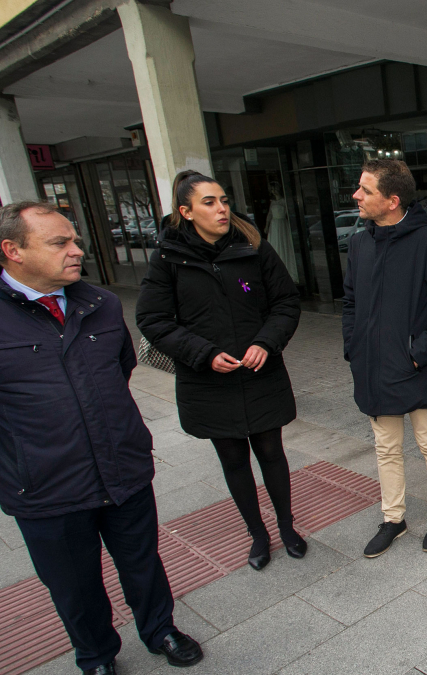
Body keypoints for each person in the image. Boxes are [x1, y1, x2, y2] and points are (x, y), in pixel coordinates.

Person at [0, 202, 203, 675]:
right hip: (46, 488)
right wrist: (19, 449)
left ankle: (160, 629)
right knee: (73, 584)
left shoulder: (101, 303)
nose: (77, 250)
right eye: (60, 243)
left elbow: (120, 369)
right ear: (12, 250)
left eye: (74, 239)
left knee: (142, 562)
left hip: (123, 468)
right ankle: (96, 656)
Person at [137, 171, 306, 572]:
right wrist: (204, 354)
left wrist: (265, 342)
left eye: (224, 200)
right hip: (208, 382)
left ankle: (287, 526)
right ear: (186, 212)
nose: (222, 209)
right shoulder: (167, 258)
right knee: (233, 459)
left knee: (272, 453)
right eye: (209, 202)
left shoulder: (253, 246)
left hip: (260, 374)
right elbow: (152, 319)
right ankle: (258, 534)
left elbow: (286, 302)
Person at [342, 159, 427, 558]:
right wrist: (354, 348)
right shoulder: (359, 244)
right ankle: (393, 519)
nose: (356, 196)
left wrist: (416, 355)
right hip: (373, 369)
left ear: (392, 200)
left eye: (366, 190)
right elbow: (350, 303)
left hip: (416, 368)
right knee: (386, 448)